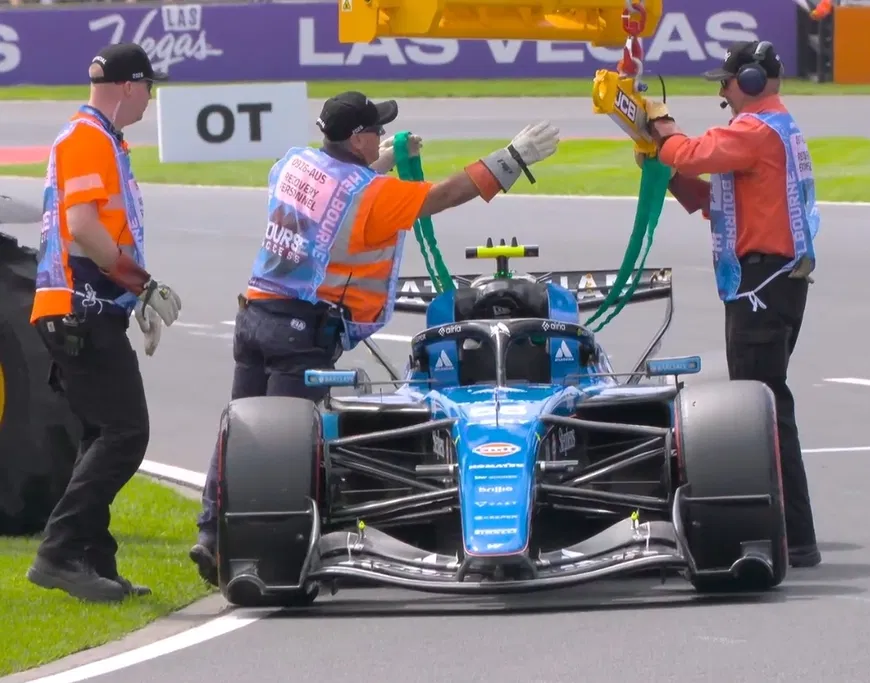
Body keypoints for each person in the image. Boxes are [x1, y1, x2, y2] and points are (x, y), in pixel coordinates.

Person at [188, 91, 560, 584]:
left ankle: (211, 534)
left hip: (255, 313)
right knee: (282, 450)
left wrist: (383, 160)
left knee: (241, 431)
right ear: (358, 138)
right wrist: (511, 159)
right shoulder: (373, 196)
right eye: (376, 132)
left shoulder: (295, 163)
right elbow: (443, 194)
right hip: (299, 331)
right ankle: (265, 555)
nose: (381, 136)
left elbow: (333, 186)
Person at [637, 40, 823, 568]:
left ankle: (792, 535)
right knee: (765, 406)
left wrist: (661, 127)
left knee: (761, 412)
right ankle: (793, 533)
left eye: (726, 81)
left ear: (752, 79)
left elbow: (692, 151)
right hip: (768, 283)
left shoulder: (755, 131)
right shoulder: (771, 130)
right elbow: (707, 198)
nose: (720, 90)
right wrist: (663, 169)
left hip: (764, 285)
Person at [26, 42, 183, 603]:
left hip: (82, 306)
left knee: (99, 433)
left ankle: (94, 561)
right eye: (149, 87)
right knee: (125, 433)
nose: (150, 98)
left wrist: (128, 297)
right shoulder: (90, 138)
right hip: (80, 309)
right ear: (128, 86)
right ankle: (59, 551)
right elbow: (84, 230)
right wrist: (142, 285)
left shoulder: (97, 137)